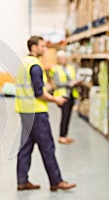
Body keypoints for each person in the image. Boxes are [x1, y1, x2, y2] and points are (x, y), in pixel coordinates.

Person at [15, 36, 76, 191]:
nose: (44, 49)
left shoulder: (23, 62)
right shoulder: (35, 66)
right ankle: (56, 181)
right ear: (34, 47)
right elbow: (39, 93)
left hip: (25, 110)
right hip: (37, 112)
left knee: (26, 147)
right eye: (42, 46)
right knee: (47, 147)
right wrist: (56, 100)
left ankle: (22, 181)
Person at [51, 50, 80, 144]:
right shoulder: (55, 69)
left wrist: (76, 82)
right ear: (58, 59)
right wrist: (69, 83)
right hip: (62, 95)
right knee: (65, 115)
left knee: (68, 116)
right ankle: (62, 136)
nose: (63, 59)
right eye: (61, 58)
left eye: (64, 57)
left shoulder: (70, 68)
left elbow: (73, 77)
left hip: (71, 94)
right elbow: (58, 83)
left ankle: (65, 135)